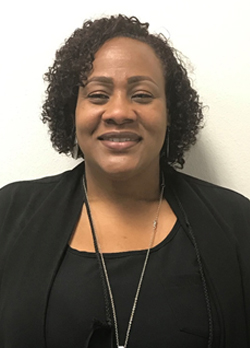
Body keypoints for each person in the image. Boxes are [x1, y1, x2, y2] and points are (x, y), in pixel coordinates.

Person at [0, 14, 249, 348]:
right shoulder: (10, 215)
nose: (119, 111)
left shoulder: (236, 223)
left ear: (170, 111)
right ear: (70, 110)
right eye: (98, 95)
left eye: (142, 95)